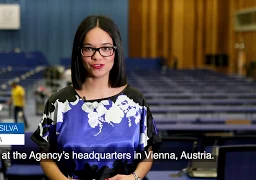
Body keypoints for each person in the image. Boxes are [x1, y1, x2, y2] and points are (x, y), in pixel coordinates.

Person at [31, 15, 162, 180]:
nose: (97, 56)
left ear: (116, 51)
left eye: (106, 48)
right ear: (79, 52)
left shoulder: (136, 101)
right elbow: (46, 156)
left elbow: (147, 154)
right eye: (89, 48)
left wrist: (134, 177)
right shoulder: (59, 102)